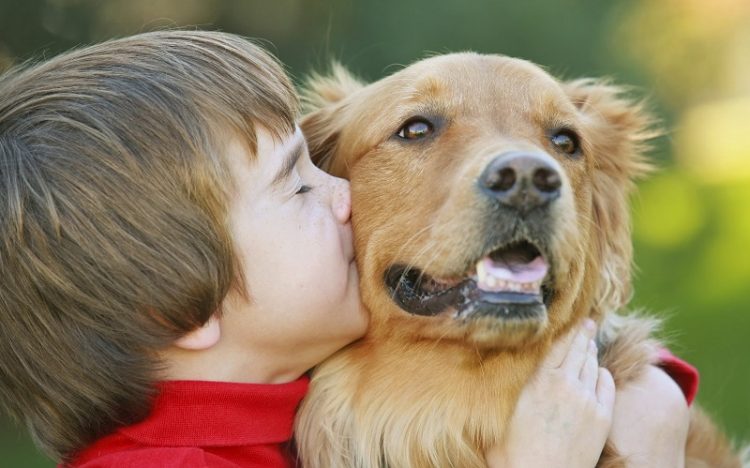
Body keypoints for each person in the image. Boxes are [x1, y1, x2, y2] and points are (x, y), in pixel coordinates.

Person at [0, 30, 694, 468]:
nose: (343, 196)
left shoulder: (276, 415)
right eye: (298, 186)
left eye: (562, 146)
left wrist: (649, 389)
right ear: (179, 304)